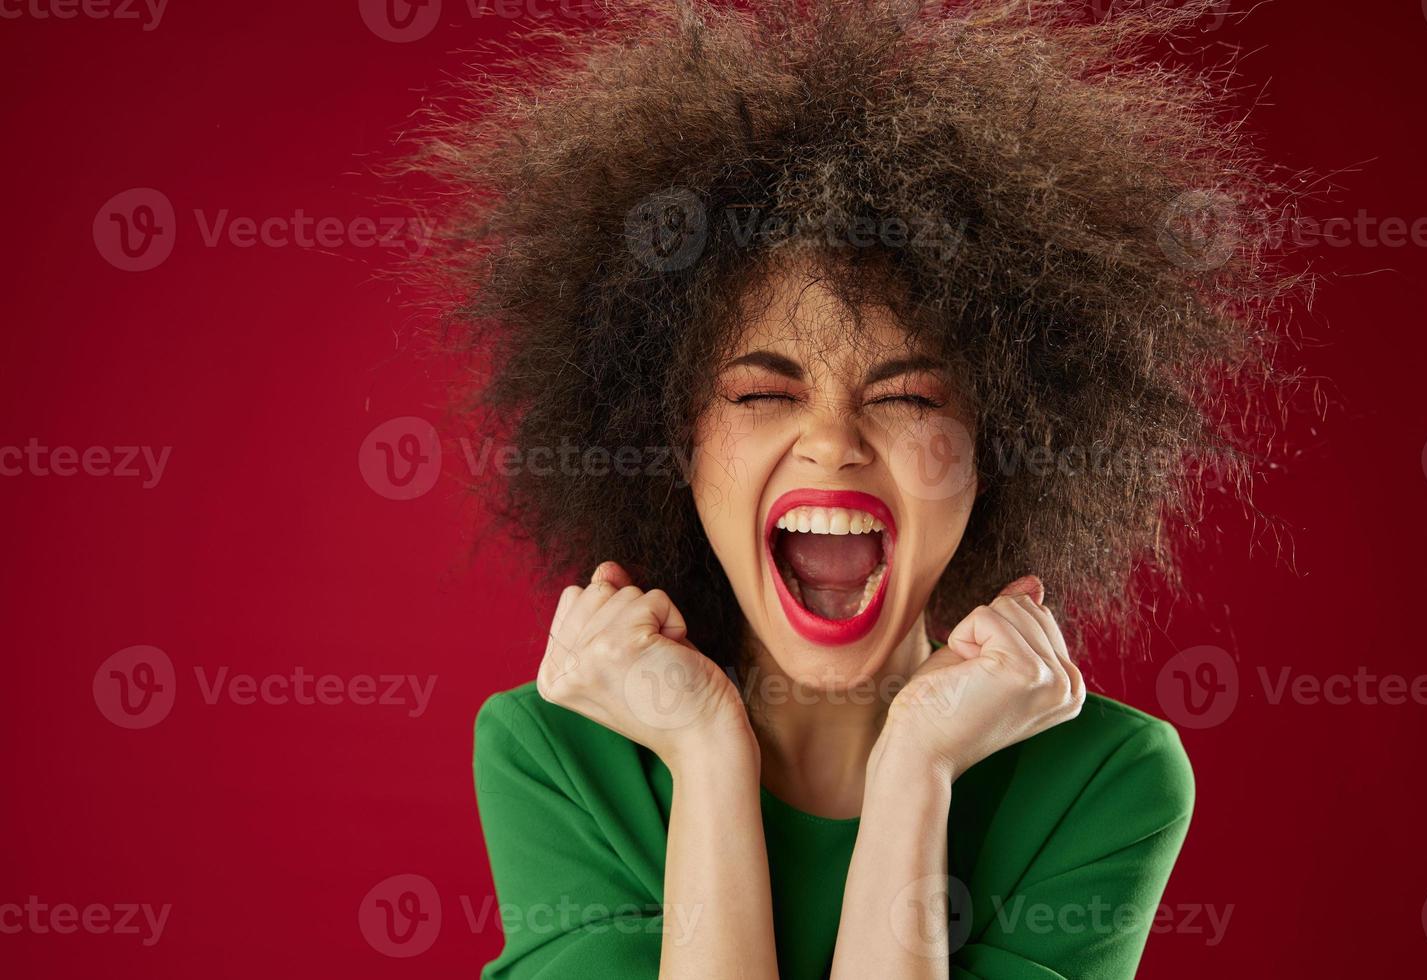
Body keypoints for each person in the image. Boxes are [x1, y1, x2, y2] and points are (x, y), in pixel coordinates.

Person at [407, 1, 1296, 976]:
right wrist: (705, 752)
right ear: (675, 441)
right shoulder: (560, 752)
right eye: (760, 390)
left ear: (1001, 446)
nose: (832, 444)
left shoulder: (1105, 780)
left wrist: (917, 762)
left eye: (908, 394)